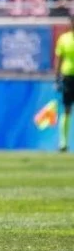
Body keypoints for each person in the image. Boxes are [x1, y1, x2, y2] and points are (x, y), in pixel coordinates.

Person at [54, 16, 74, 152]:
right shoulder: (64, 39)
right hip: (68, 77)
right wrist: (57, 78)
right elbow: (59, 59)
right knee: (67, 109)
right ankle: (63, 143)